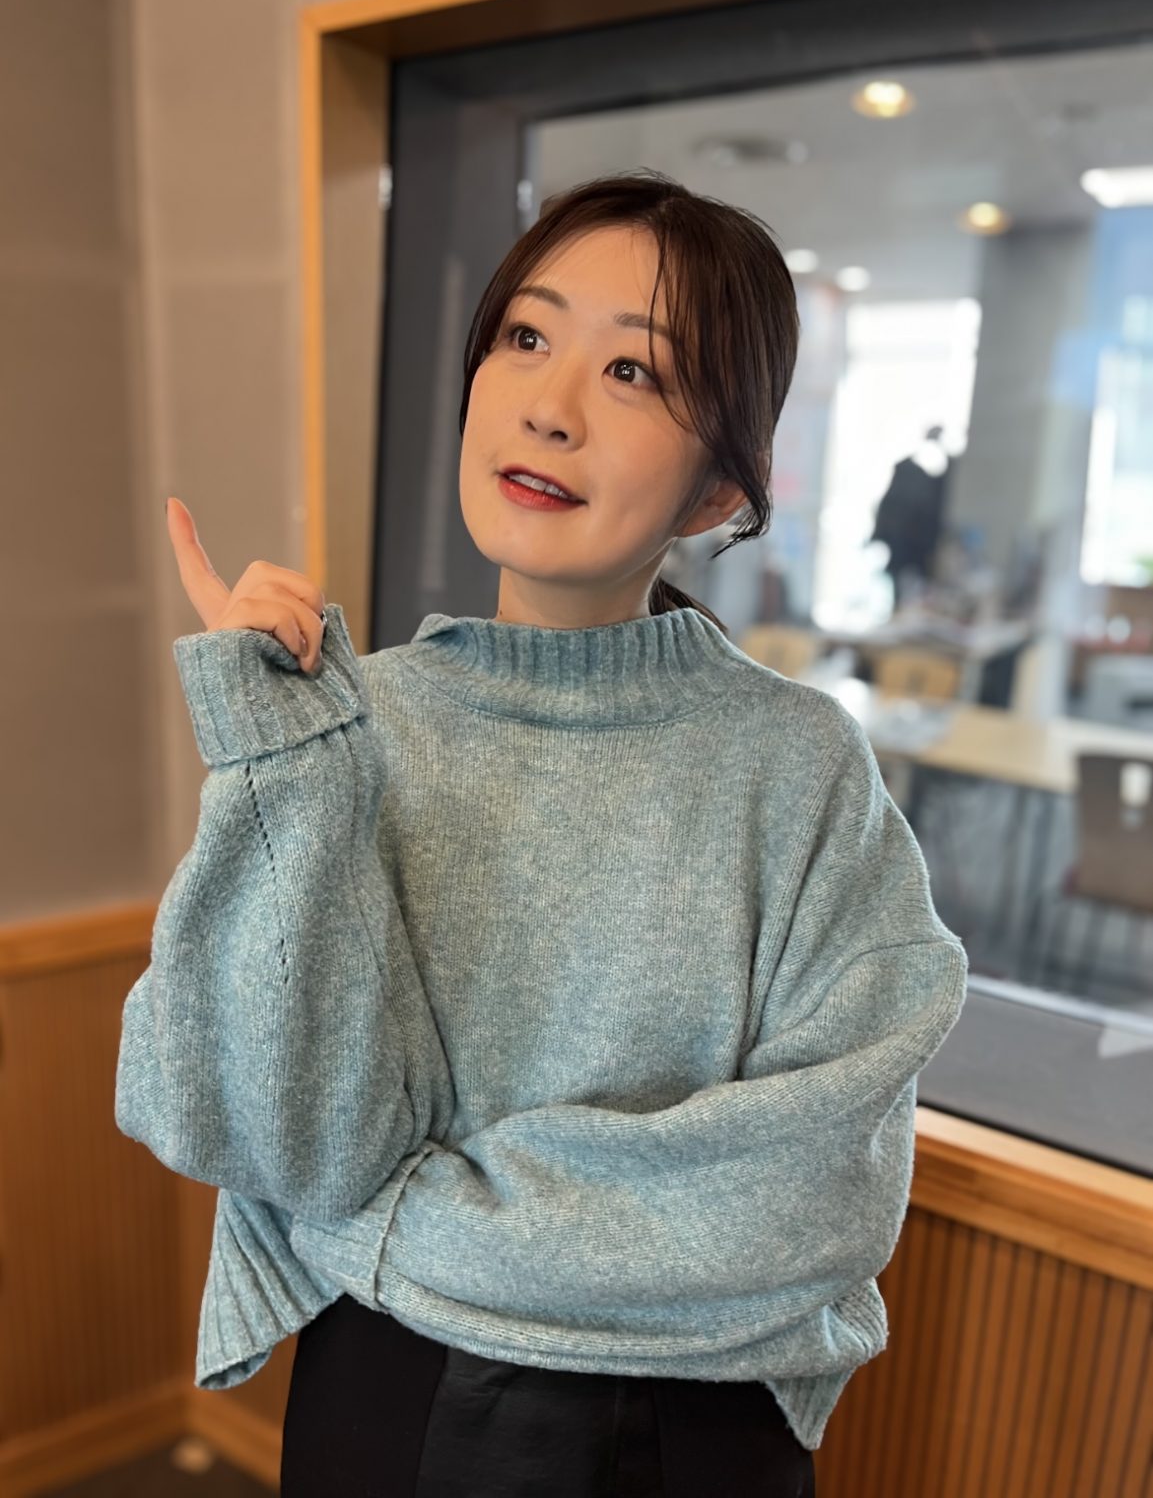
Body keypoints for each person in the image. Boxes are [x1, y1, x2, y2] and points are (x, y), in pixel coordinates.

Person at [115, 173, 968, 1496]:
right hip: (389, 1387)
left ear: (715, 493)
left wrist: (401, 1219)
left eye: (633, 371)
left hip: (691, 1424)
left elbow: (817, 1193)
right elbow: (246, 1125)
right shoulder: (349, 726)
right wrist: (278, 763)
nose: (549, 406)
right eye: (525, 335)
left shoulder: (797, 768)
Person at [870, 424, 953, 599]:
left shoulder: (937, 477)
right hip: (904, 544)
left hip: (919, 547)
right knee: (902, 588)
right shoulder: (906, 471)